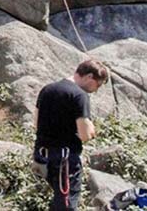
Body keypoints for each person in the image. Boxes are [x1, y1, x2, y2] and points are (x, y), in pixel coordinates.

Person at [32, 59, 110, 211]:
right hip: (65, 159)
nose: (96, 89)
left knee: (58, 200)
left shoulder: (47, 89)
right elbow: (85, 135)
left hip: (42, 155)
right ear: (88, 77)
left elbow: (36, 122)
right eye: (98, 84)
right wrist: (91, 129)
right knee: (66, 204)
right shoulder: (79, 96)